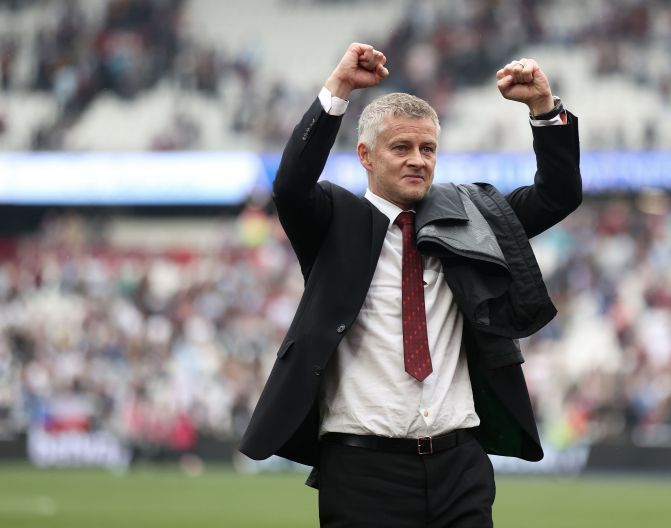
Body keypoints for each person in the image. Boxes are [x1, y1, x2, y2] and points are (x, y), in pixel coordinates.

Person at [240, 42, 582, 527]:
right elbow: (291, 186)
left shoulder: (468, 219)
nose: (418, 160)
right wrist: (338, 88)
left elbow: (558, 194)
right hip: (362, 471)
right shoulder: (335, 221)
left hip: (459, 464)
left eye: (428, 149)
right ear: (366, 155)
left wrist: (543, 109)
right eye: (401, 147)